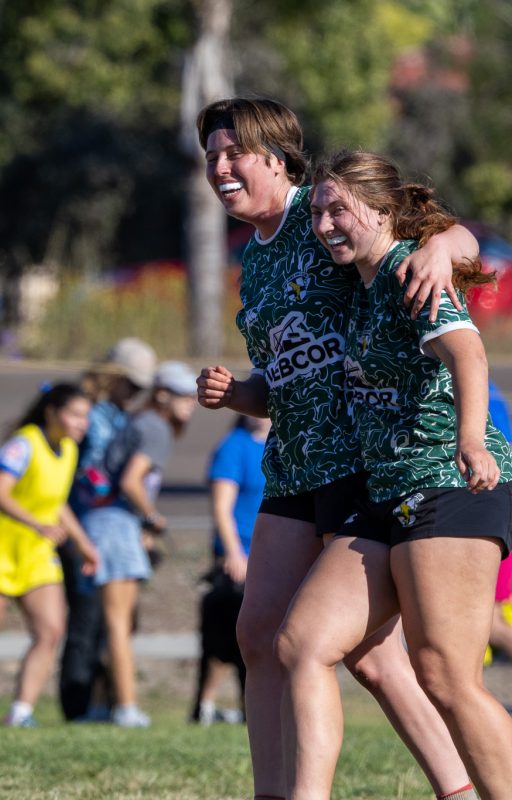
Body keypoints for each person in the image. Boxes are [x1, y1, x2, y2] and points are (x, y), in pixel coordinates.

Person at [195, 97, 477, 800]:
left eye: (235, 153)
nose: (219, 167)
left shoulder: (320, 214)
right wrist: (240, 394)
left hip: (360, 462)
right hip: (293, 465)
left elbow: (450, 239)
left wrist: (443, 245)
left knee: (357, 655)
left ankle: (458, 786)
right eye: (211, 156)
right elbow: (290, 378)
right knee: (260, 633)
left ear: (277, 158)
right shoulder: (252, 262)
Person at [275, 150, 512, 800]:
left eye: (337, 209)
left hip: (447, 480)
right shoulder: (358, 286)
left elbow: (467, 352)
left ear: (381, 212)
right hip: (385, 493)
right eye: (317, 210)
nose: (323, 223)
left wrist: (469, 439)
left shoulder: (412, 272)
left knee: (445, 676)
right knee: (303, 640)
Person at [0, 383, 99, 727]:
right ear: (53, 413)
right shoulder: (23, 444)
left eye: (86, 416)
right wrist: (37, 524)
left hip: (37, 556)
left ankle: (21, 711)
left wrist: (83, 543)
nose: (83, 424)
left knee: (50, 630)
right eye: (76, 415)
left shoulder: (68, 450)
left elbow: (57, 504)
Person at [79, 361, 198, 728]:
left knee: (117, 620)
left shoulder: (143, 422)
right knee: (119, 622)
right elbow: (132, 482)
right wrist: (153, 518)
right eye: (183, 396)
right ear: (163, 395)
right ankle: (126, 707)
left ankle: (102, 704)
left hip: (107, 520)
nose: (190, 403)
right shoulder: (156, 426)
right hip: (115, 522)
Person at [59, 337, 157, 722]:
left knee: (106, 623)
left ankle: (99, 702)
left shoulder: (118, 414)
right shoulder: (89, 413)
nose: (134, 392)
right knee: (85, 620)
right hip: (79, 522)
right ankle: (76, 707)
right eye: (130, 383)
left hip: (106, 522)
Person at [191, 414, 269, 725]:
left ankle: (256, 710)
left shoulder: (281, 441)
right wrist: (234, 553)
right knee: (223, 642)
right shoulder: (233, 447)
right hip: (241, 559)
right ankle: (204, 707)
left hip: (271, 554)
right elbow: (222, 507)